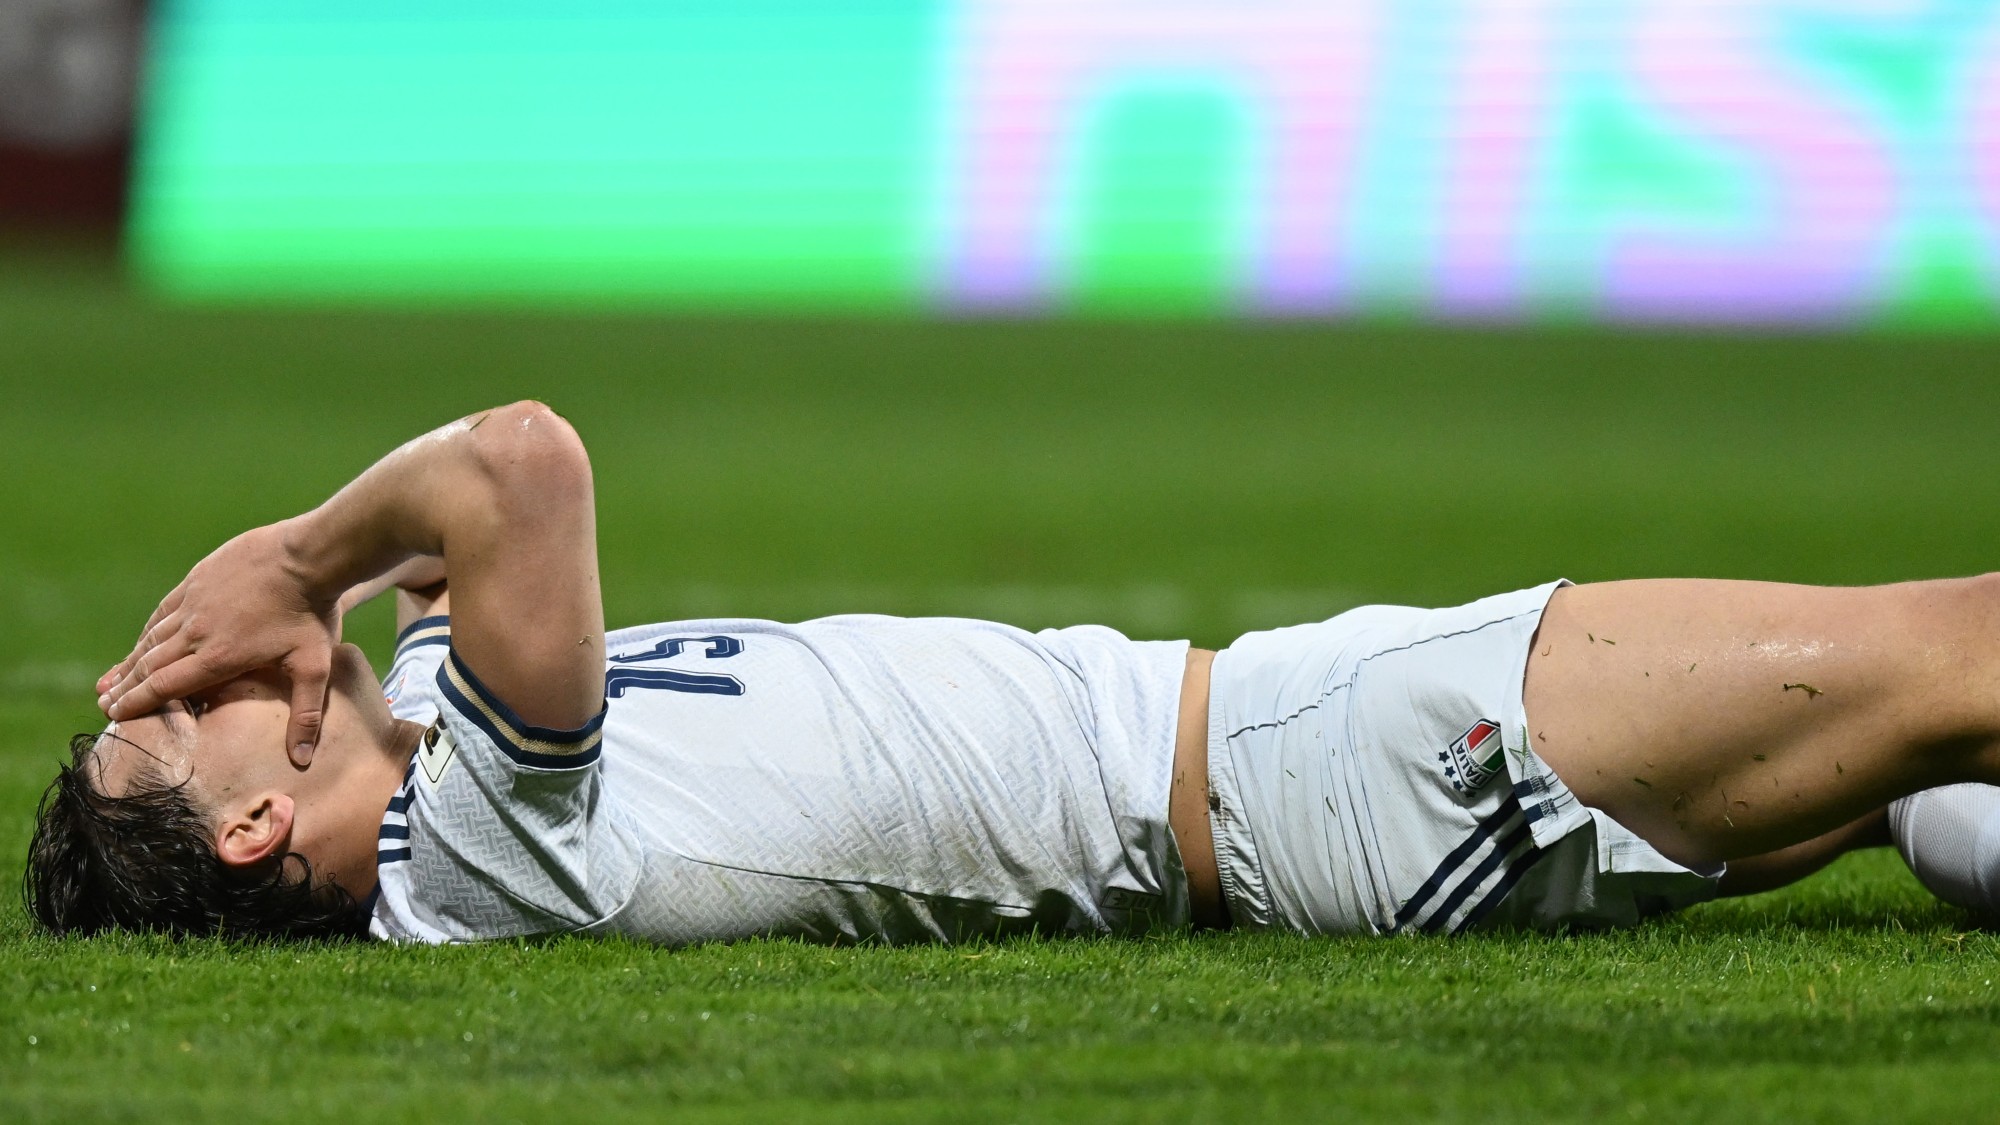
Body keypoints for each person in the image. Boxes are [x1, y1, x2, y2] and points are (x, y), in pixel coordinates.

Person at [23, 402, 2000, 943]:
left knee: (1922, 745)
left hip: (1311, 734)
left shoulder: (449, 729)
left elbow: (449, 534)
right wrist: (292, 556)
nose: (206, 668)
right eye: (173, 717)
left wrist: (320, 607)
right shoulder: (475, 858)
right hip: (1348, 772)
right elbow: (519, 463)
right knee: (1958, 642)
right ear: (265, 816)